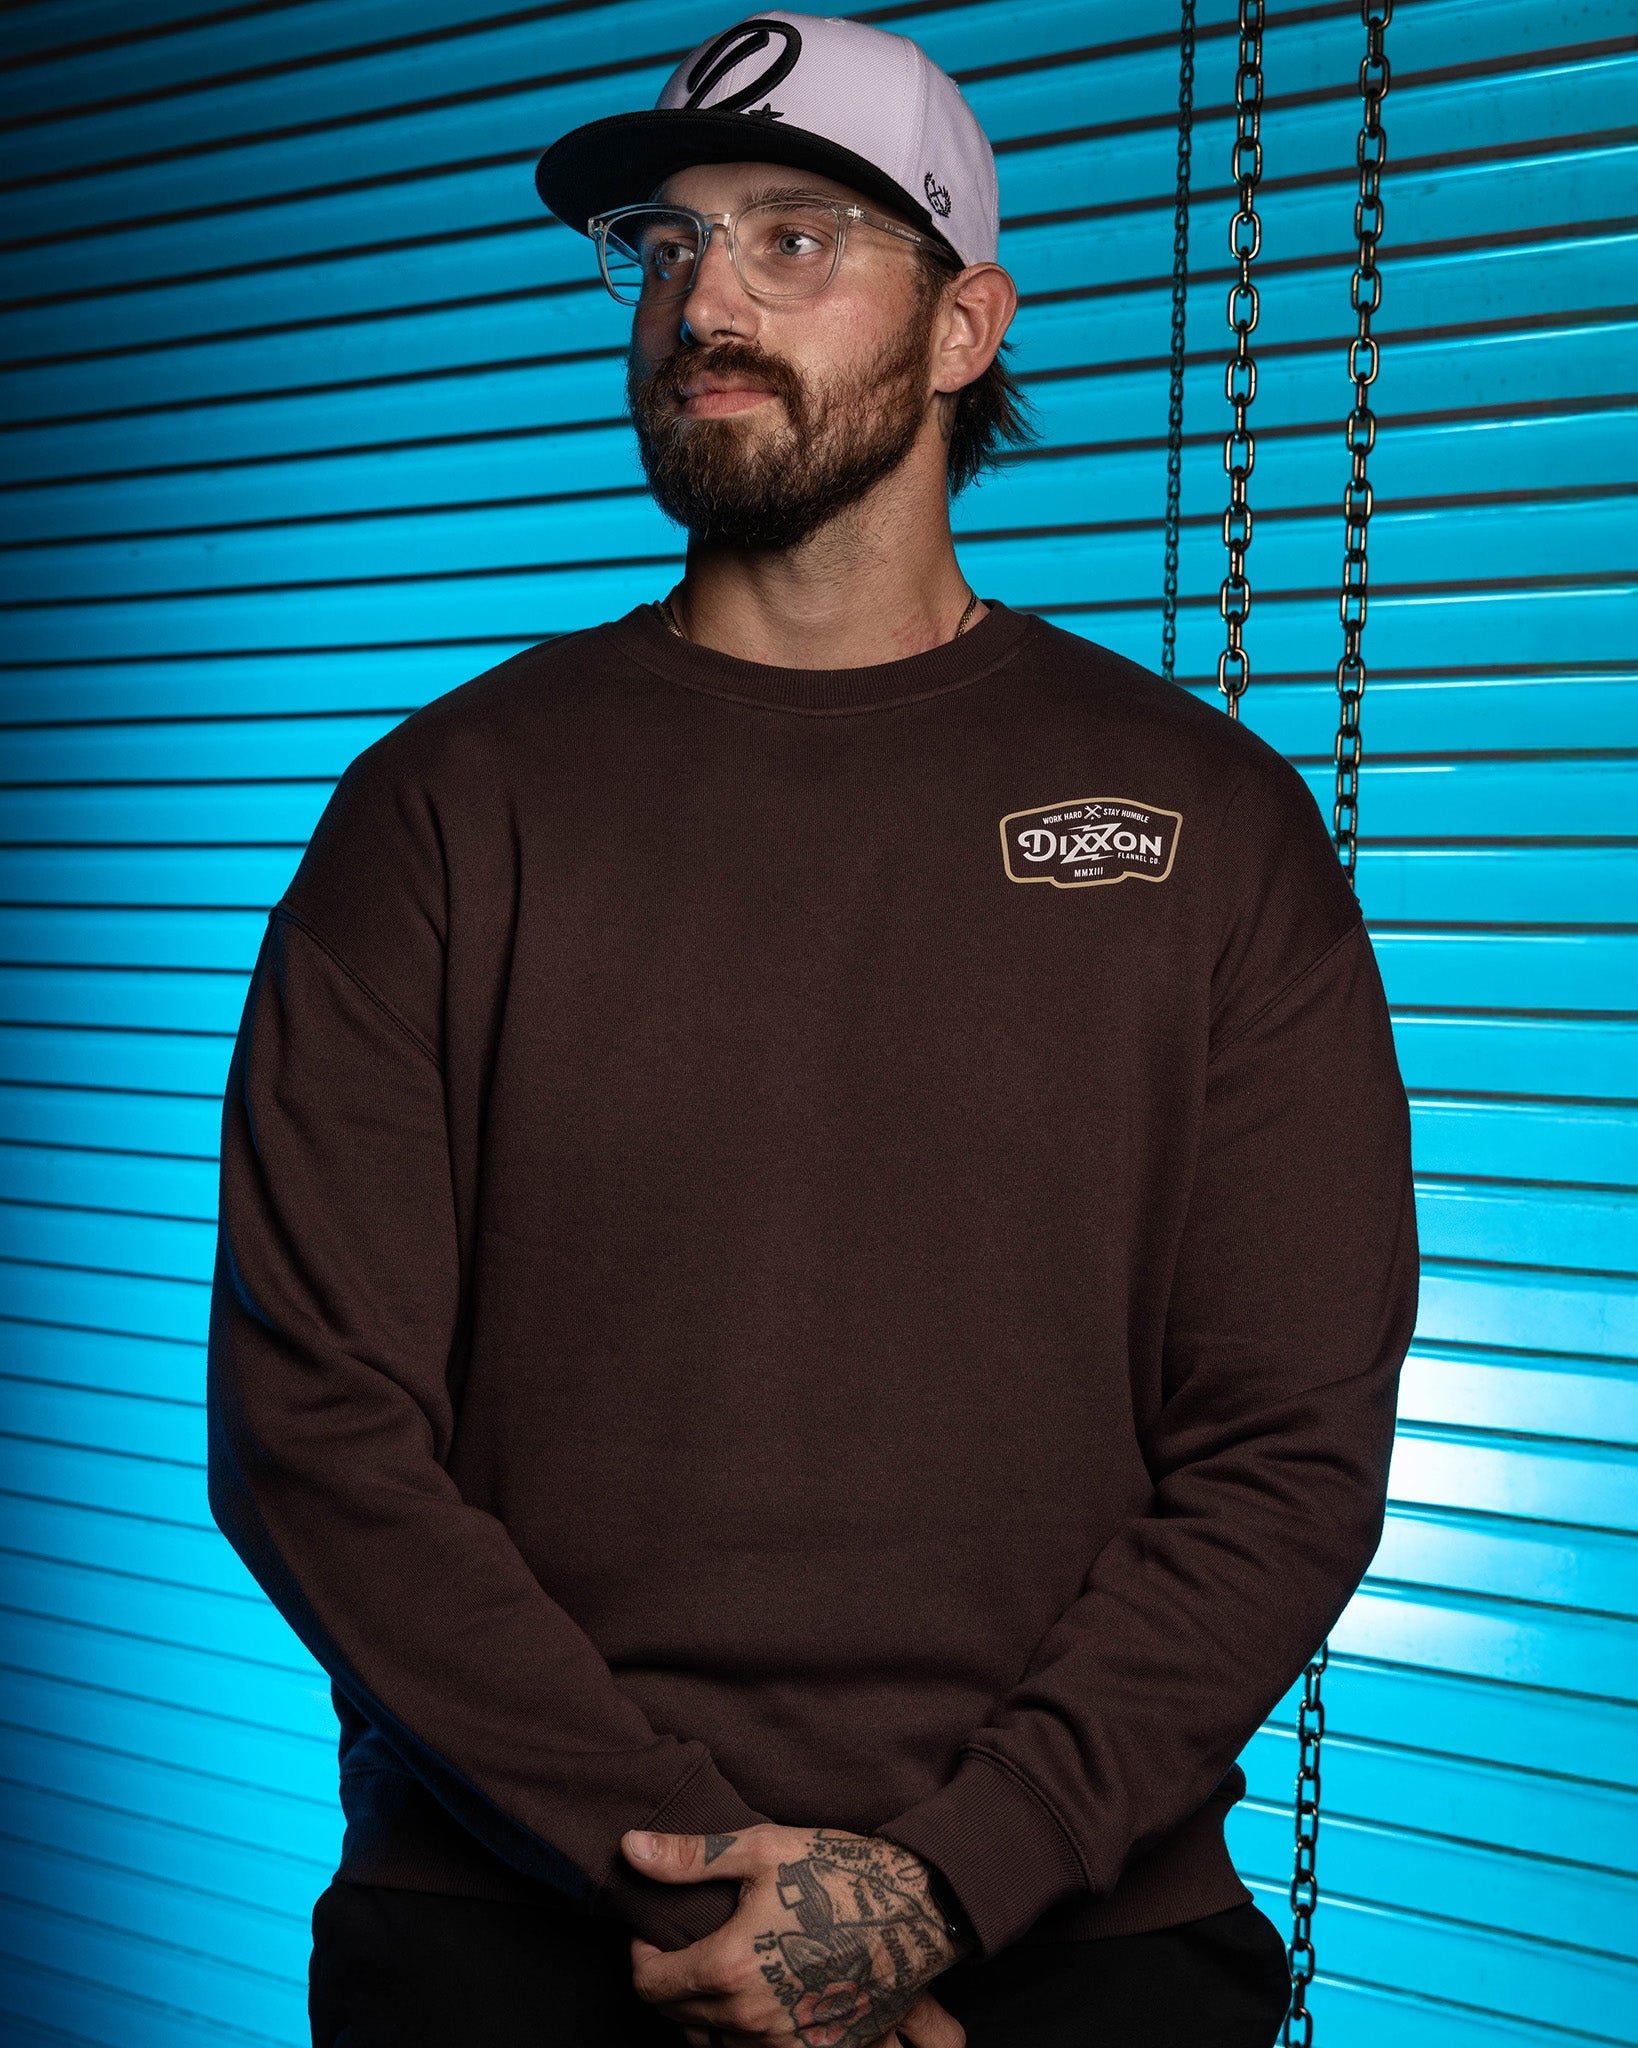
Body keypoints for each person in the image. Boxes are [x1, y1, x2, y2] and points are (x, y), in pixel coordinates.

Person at [206, 12, 1419, 2047]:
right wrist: (697, 1886)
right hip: (517, 1930)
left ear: (964, 329)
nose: (704, 302)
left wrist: (944, 1886)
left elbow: (1288, 1448)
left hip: (1074, 1942)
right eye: (667, 245)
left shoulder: (1207, 821)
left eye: (794, 239)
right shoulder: (443, 809)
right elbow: (310, 1432)